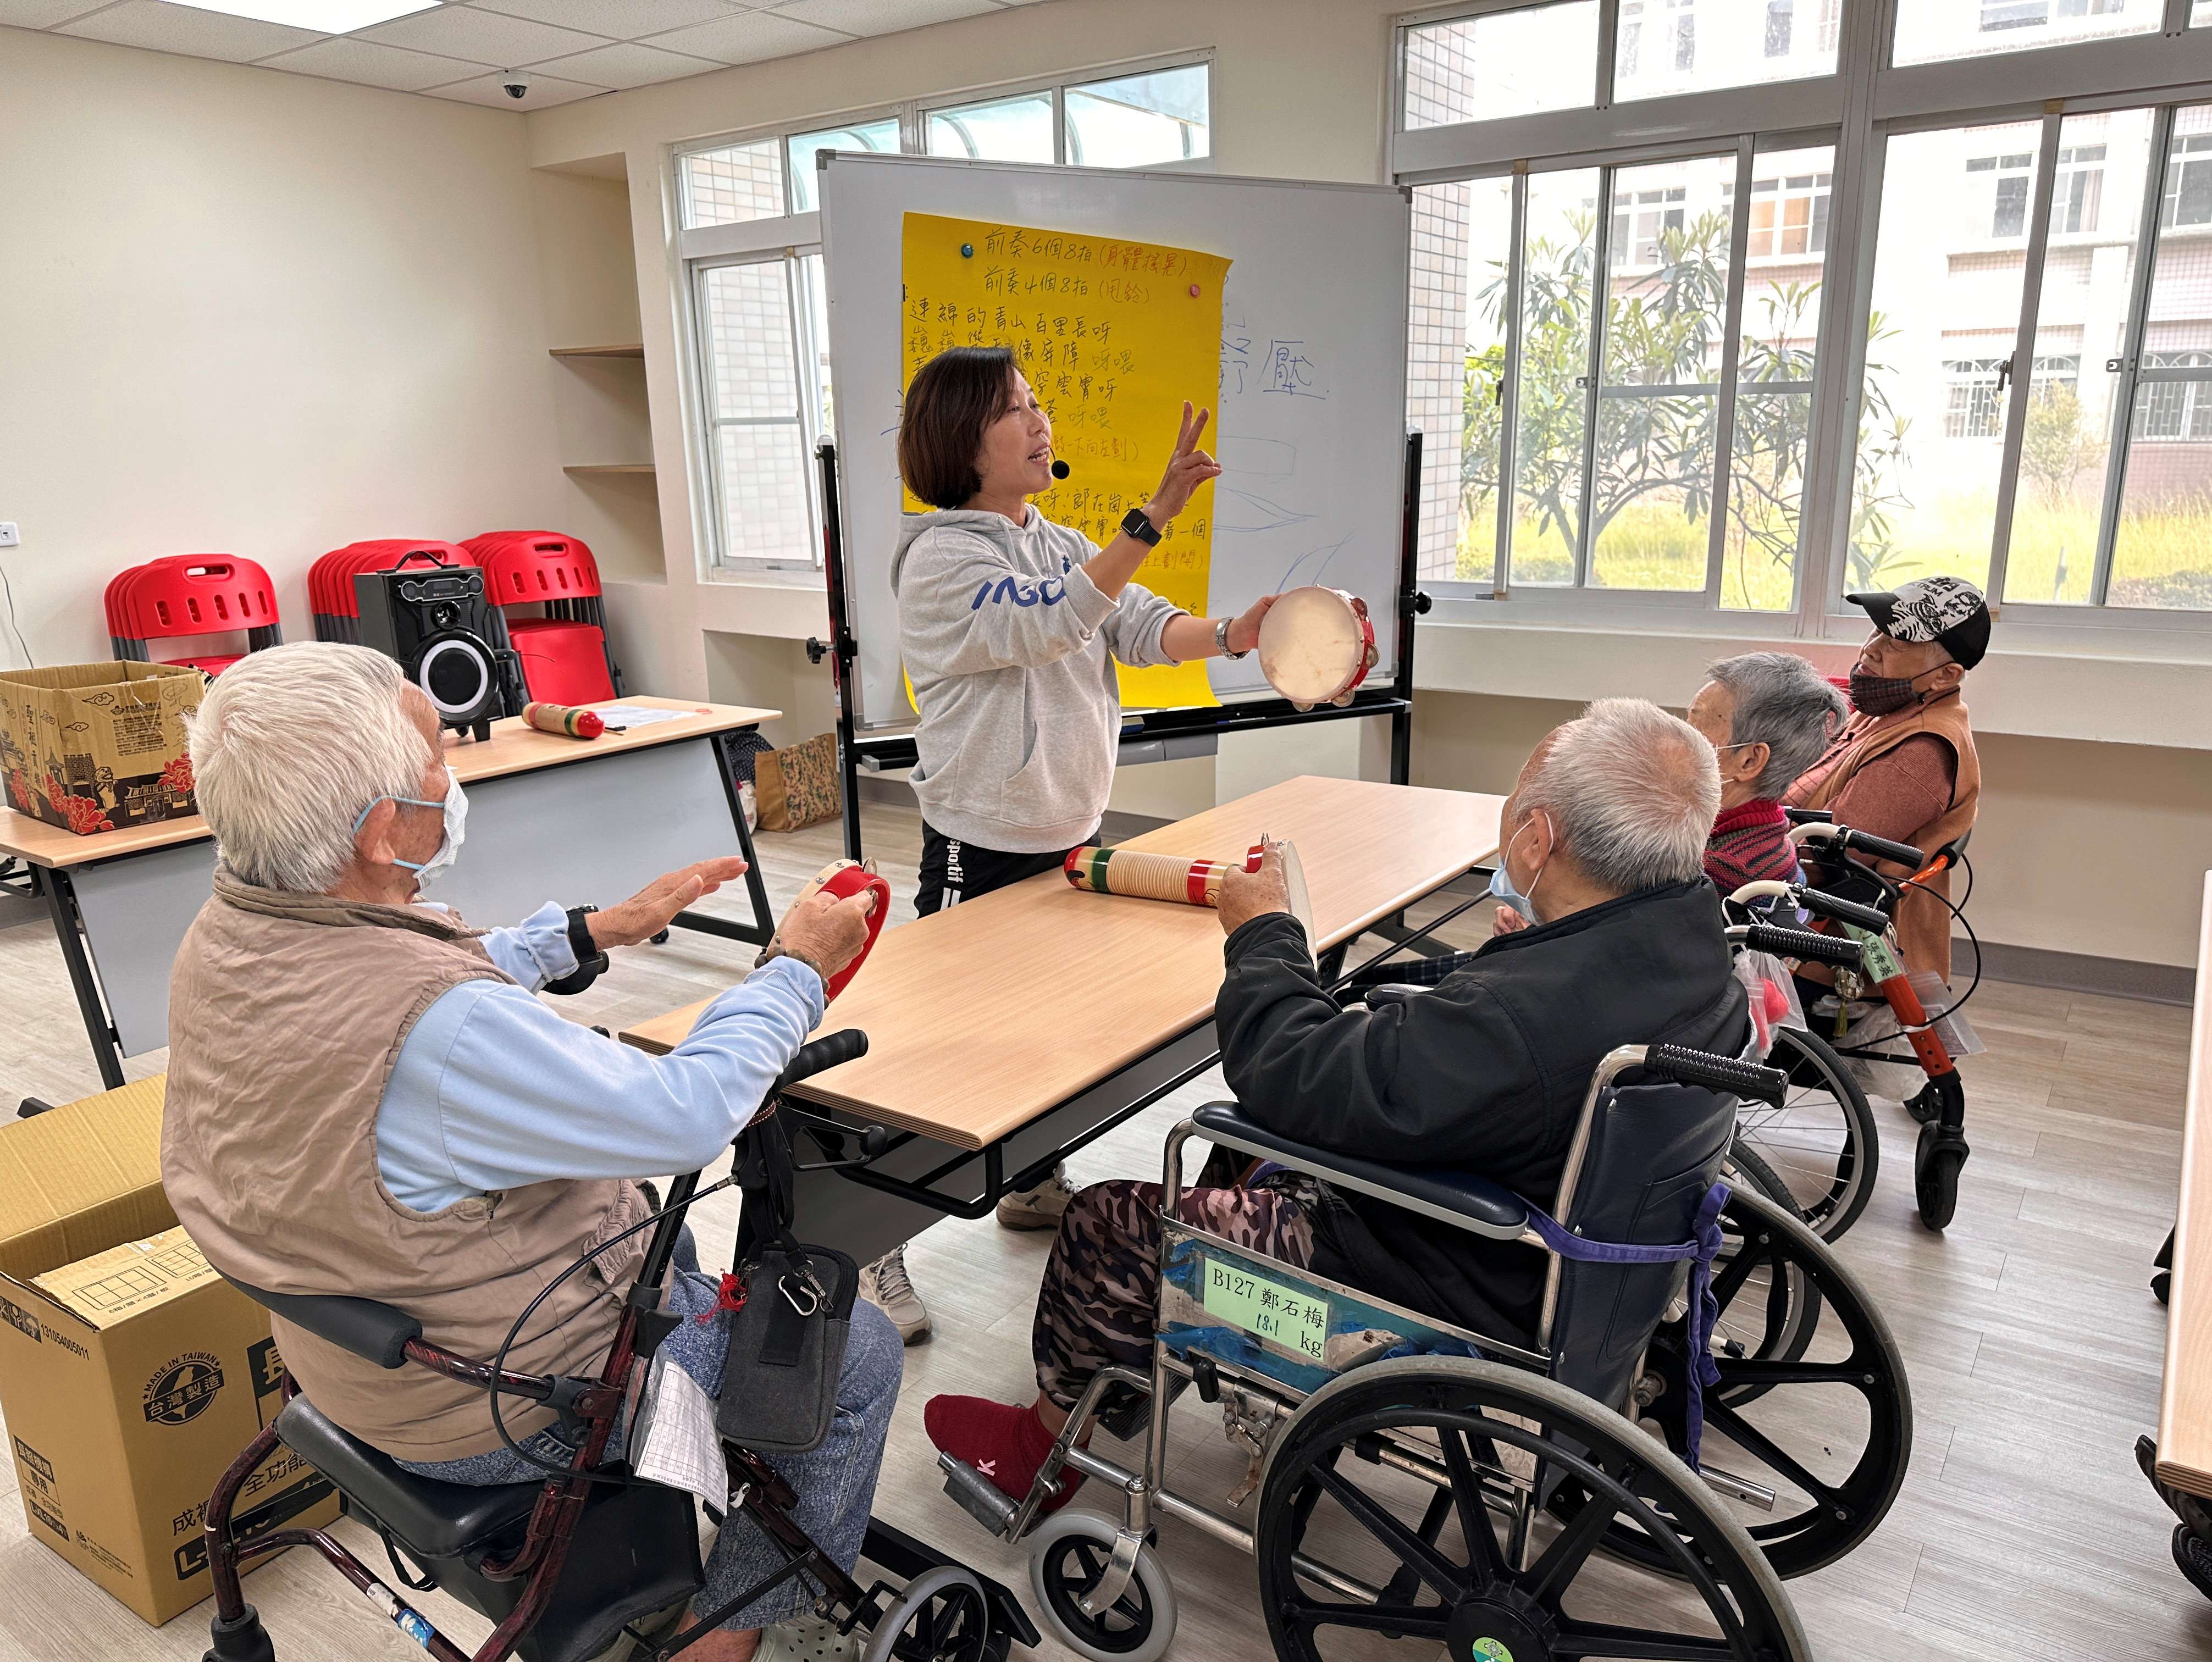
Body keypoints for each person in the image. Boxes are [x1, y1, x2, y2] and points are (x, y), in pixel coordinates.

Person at [158, 644, 889, 1662]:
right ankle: (722, 1640)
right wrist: (793, 968)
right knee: (854, 1353)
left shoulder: (234, 929)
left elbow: (387, 985)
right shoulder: (444, 1030)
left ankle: (712, 1484)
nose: (451, 783)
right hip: (497, 1403)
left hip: (352, 1357)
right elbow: (685, 1112)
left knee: (670, 1261)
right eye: (431, 776)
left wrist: (591, 929)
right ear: (381, 831)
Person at [920, 698, 1748, 1510]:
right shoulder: (1692, 947)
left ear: (1539, 838)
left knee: (1107, 1222)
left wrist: (1264, 932)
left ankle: (1042, 1451)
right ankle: (1131, 1368)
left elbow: (1288, 1072)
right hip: (1569, 1252)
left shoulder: (1522, 1018)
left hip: (1436, 1268)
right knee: (1243, 1151)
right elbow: (1494, 1039)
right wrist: (1506, 965)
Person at [864, 344, 1279, 1342]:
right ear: (963, 440)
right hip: (978, 839)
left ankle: (1029, 1180)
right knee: (941, 1047)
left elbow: (1134, 626)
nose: (1040, 419)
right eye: (1016, 409)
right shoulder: (938, 560)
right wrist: (1154, 515)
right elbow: (1054, 623)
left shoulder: (1057, 539)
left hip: (1068, 834)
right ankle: (874, 1236)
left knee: (1046, 1028)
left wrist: (1234, 632)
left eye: (1038, 401)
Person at [1785, 575, 1988, 983]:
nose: (1870, 650)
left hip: (1823, 944)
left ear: (1945, 676)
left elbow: (1822, 861)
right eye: (1877, 631)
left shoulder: (1919, 752)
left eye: (1896, 643)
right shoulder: (1891, 709)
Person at [1686, 651, 1850, 902]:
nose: (1675, 740)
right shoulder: (1769, 829)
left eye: (1694, 732)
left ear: (1749, 762)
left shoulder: (1714, 873)